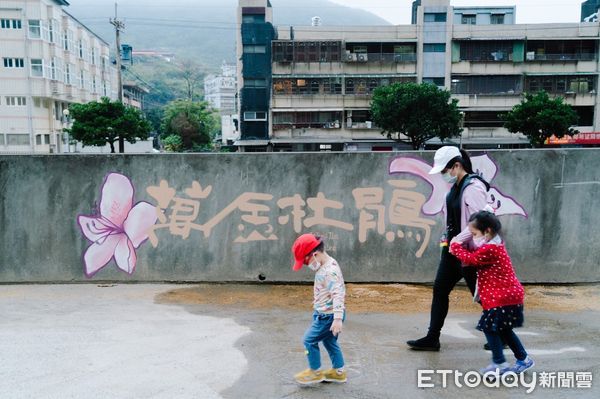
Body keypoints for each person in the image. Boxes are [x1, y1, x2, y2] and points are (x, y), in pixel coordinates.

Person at [407, 146, 490, 351]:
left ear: (457, 165)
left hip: (470, 252)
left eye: (445, 171)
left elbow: (479, 223)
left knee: (483, 296)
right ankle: (432, 338)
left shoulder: (473, 187)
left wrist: (457, 240)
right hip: (453, 251)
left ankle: (503, 333)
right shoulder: (455, 187)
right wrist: (448, 240)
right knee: (440, 290)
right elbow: (452, 219)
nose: (444, 175)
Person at [449, 211, 535, 375]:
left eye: (474, 234)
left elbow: (472, 260)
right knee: (504, 329)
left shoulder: (491, 248)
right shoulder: (494, 243)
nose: (473, 237)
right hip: (506, 295)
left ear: (487, 231)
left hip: (503, 296)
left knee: (489, 327)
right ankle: (524, 359)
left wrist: (455, 247)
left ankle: (499, 363)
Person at [291, 233, 347, 385]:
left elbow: (338, 294)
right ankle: (339, 372)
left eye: (305, 261)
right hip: (324, 314)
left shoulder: (329, 271)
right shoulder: (326, 264)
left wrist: (337, 319)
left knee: (308, 340)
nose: (305, 265)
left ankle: (315, 371)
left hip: (327, 317)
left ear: (315, 254)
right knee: (330, 342)